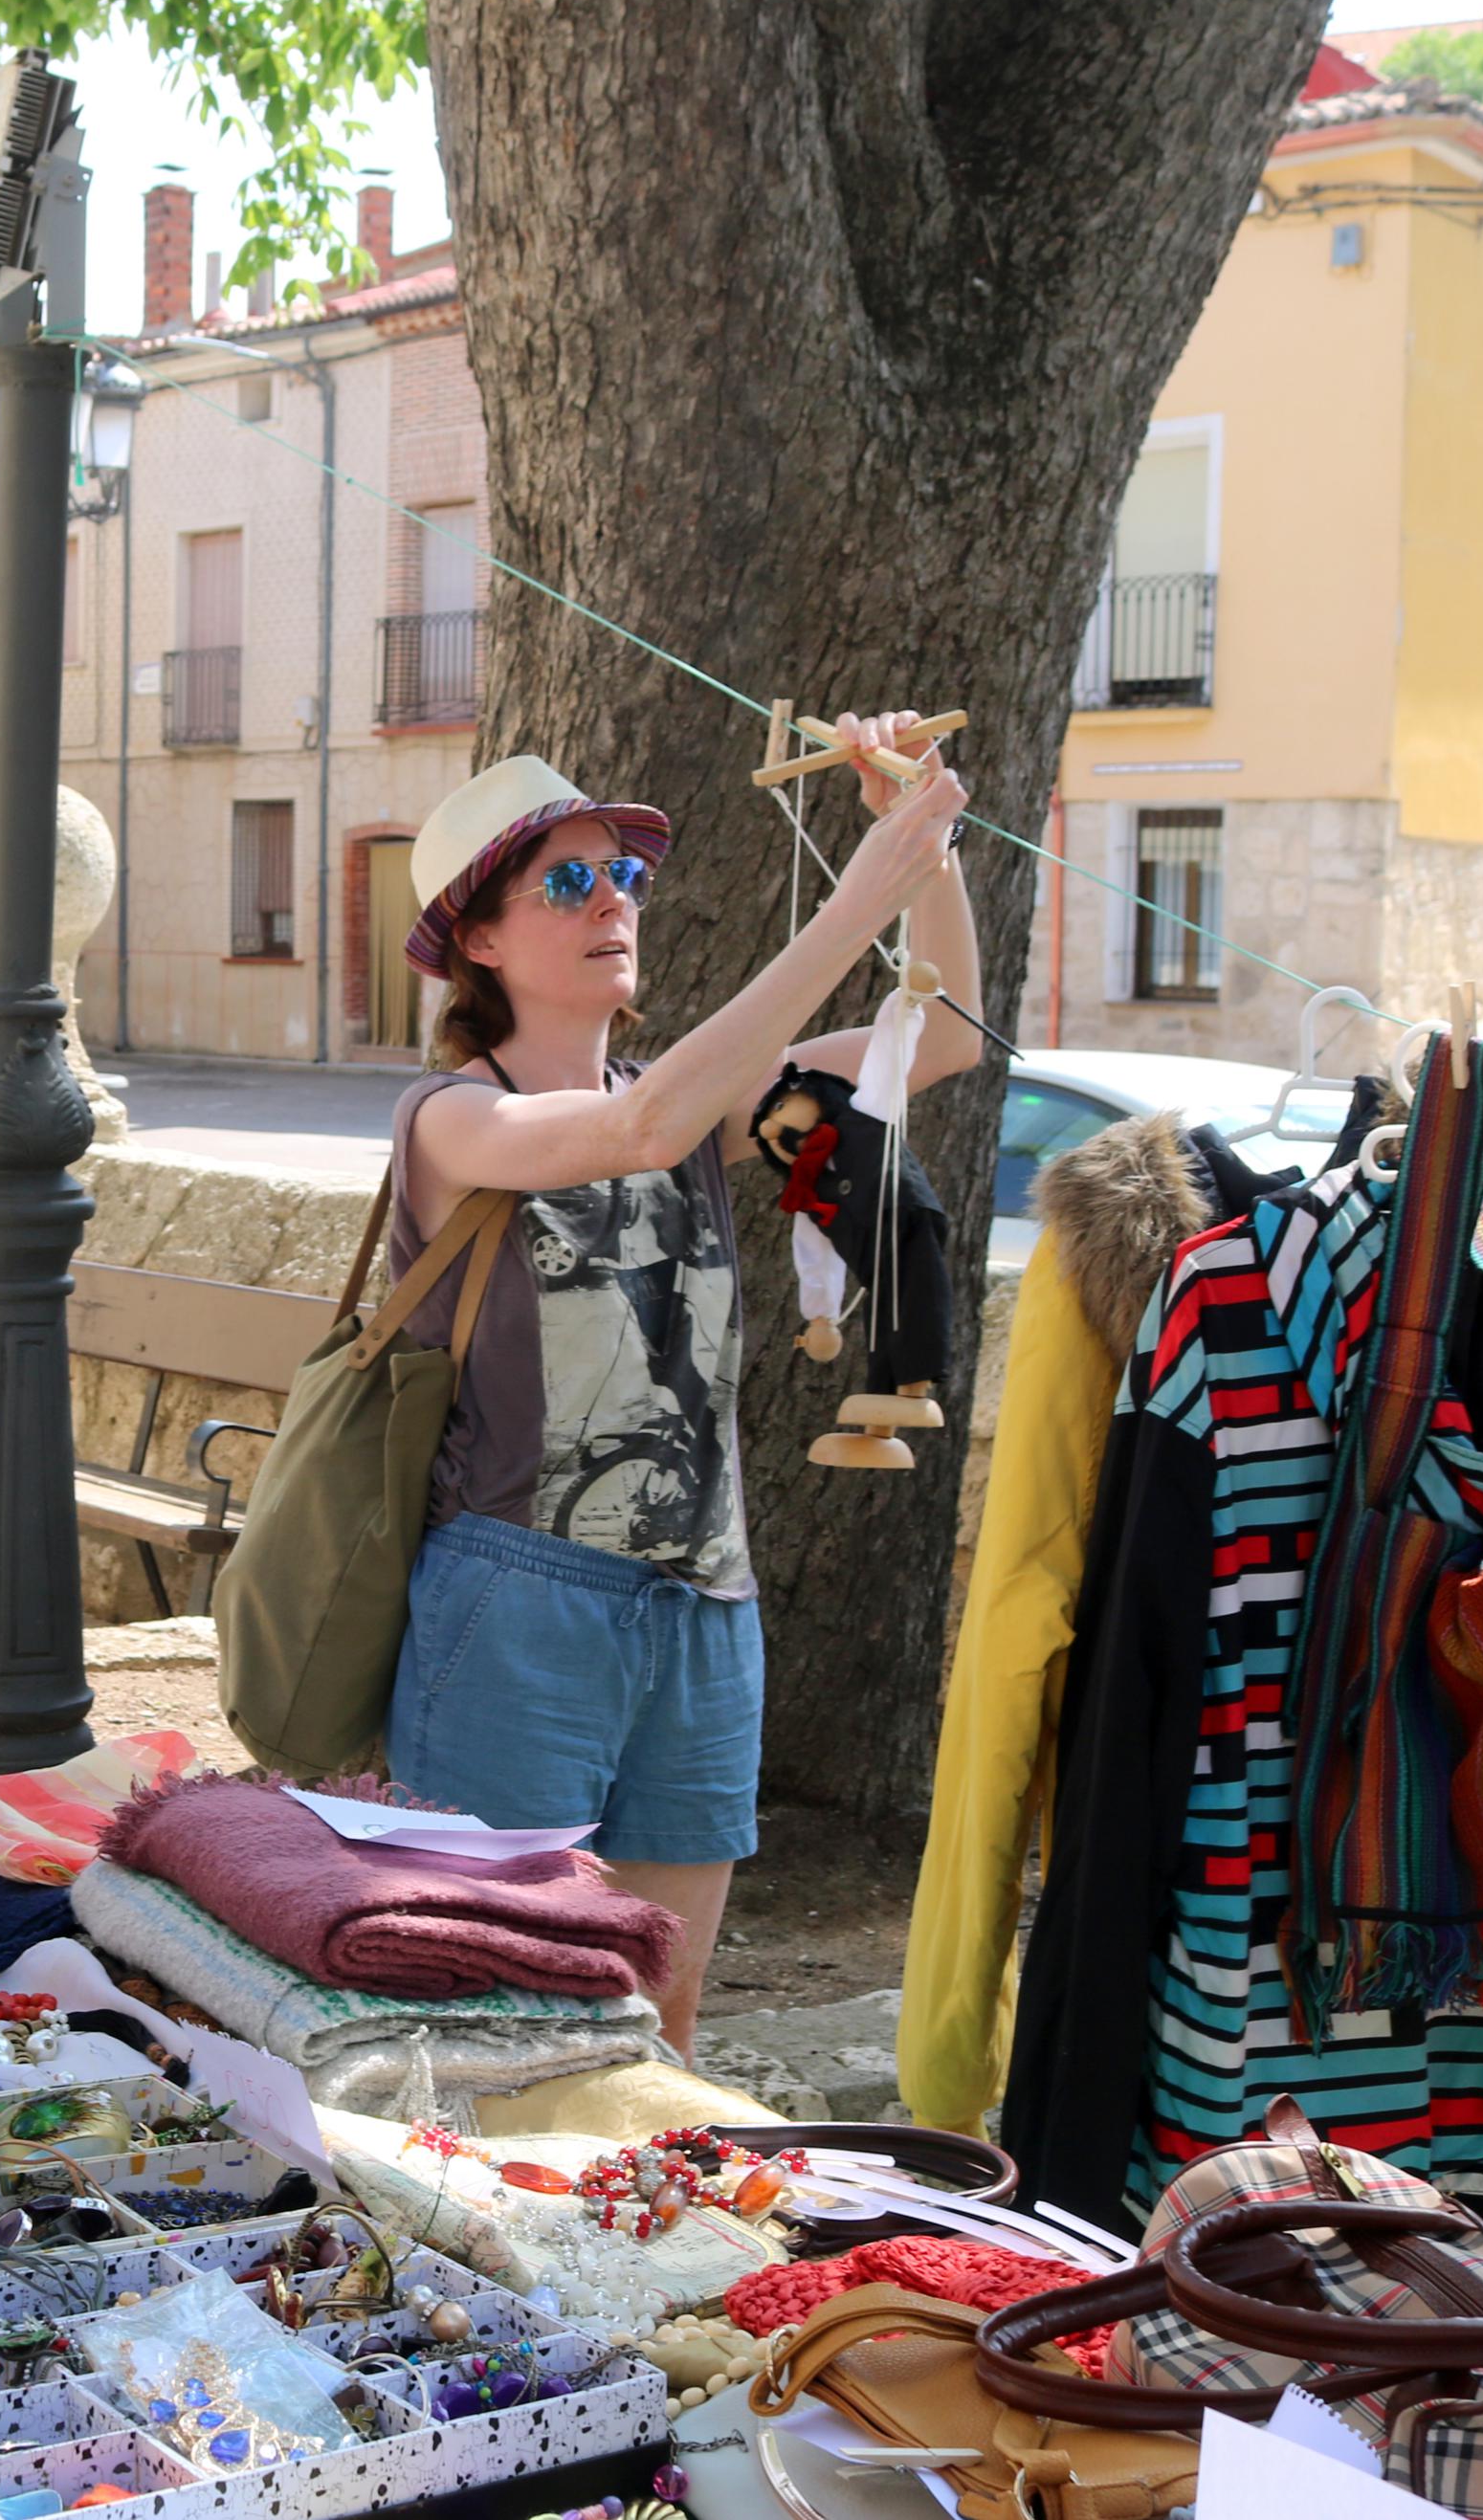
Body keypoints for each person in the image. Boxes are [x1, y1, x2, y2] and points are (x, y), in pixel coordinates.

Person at [380, 718, 979, 2052]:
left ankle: (635, 2256)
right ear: (475, 938)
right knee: (500, 2015)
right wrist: (849, 902)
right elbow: (627, 1133)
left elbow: (930, 1043)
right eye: (564, 881)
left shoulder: (698, 1095)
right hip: (518, 1598)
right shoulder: (450, 1119)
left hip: (706, 1603)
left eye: (622, 878)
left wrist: (918, 838)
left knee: (664, 2007)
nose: (609, 903)